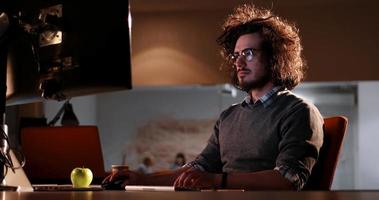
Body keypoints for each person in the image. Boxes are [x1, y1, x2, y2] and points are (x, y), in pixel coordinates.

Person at [102, 4, 323, 191]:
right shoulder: (229, 117)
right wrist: (142, 179)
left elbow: (288, 179)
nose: (238, 62)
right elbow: (199, 168)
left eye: (248, 53)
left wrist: (217, 180)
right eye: (236, 55)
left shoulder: (299, 111)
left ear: (275, 58)